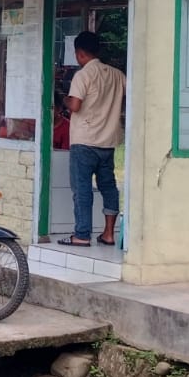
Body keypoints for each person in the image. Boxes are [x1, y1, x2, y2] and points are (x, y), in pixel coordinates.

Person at [60, 31, 124, 247]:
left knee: (82, 189)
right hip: (108, 141)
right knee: (109, 187)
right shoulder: (117, 75)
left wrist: (65, 100)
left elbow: (75, 105)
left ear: (79, 53)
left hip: (84, 141)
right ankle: (108, 233)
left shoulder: (83, 75)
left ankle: (82, 234)